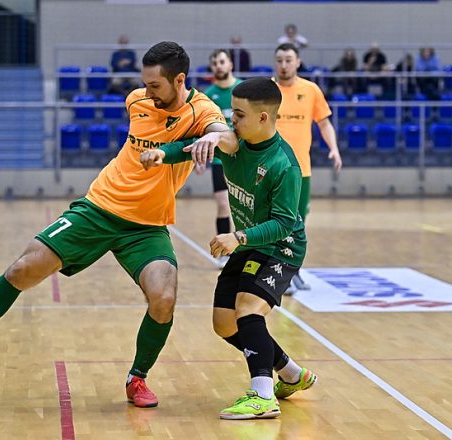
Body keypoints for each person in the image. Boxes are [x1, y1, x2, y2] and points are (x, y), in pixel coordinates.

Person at [0, 41, 232, 409]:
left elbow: (223, 132)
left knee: (164, 298)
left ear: (179, 80)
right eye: (145, 83)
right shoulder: (136, 101)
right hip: (98, 207)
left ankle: (136, 378)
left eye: (156, 85)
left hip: (146, 226)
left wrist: (211, 135)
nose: (148, 91)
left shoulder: (201, 108)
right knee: (22, 269)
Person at [139, 77, 317, 420]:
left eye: (238, 114)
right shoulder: (234, 143)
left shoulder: (284, 165)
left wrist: (238, 238)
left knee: (249, 310)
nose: (230, 120)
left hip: (280, 248)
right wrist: (163, 153)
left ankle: (263, 395)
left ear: (263, 118)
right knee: (225, 324)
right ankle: (292, 374)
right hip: (249, 244)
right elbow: (194, 145)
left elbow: (283, 224)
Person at [273, 43, 342, 294]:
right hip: (273, 171)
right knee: (279, 222)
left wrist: (333, 147)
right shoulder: (268, 91)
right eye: (279, 60)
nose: (283, 65)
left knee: (298, 225)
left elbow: (324, 124)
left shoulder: (310, 90)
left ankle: (293, 270)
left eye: (288, 60)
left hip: (301, 171)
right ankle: (279, 274)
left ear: (298, 61)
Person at [203, 49, 242, 268]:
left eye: (222, 61)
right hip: (220, 160)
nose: (218, 65)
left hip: (243, 159)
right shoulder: (209, 94)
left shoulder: (242, 89)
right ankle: (224, 252)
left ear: (230, 65)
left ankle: (246, 247)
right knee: (222, 205)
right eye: (215, 62)